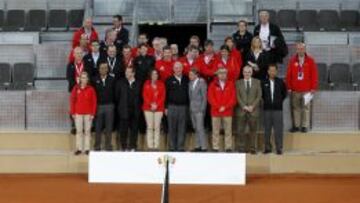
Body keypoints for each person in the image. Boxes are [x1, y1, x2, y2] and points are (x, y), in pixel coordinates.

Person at [286, 42, 318, 133]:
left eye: (302, 49)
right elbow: (289, 75)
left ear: (305, 49)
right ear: (296, 50)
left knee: (306, 108)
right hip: (295, 90)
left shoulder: (310, 61)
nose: (300, 50)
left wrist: (313, 88)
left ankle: (304, 126)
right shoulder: (292, 60)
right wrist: (289, 87)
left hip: (307, 90)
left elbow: (314, 75)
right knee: (296, 108)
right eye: (298, 49)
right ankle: (296, 126)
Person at [208, 68, 236, 152]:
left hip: (227, 111)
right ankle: (215, 147)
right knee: (215, 130)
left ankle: (228, 147)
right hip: (216, 111)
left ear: (226, 74)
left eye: (224, 73)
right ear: (217, 74)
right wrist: (218, 107)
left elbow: (233, 98)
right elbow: (210, 98)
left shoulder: (230, 84)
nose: (222, 75)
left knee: (228, 130)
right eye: (220, 73)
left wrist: (225, 107)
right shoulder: (212, 84)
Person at [236, 66, 262, 154]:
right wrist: (244, 106)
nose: (247, 74)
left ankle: (253, 148)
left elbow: (259, 96)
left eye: (249, 72)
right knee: (240, 131)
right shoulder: (238, 83)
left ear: (252, 73)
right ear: (242, 72)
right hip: (241, 110)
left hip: (253, 111)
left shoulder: (257, 82)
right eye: (245, 72)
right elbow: (237, 96)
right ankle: (241, 148)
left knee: (253, 131)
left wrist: (252, 106)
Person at [262, 64, 287, 155]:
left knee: (278, 130)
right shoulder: (263, 82)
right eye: (270, 70)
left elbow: (284, 94)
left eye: (274, 70)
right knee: (267, 130)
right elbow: (262, 95)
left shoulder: (280, 82)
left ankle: (279, 148)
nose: (272, 72)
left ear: (276, 71)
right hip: (267, 110)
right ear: (268, 71)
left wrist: (278, 101)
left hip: (278, 110)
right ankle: (267, 148)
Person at [70, 72, 97, 155]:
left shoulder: (91, 89)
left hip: (88, 114)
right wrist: (73, 112)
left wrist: (93, 114)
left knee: (87, 132)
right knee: (79, 131)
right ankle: (79, 148)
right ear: (80, 79)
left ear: (87, 79)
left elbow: (94, 102)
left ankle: (87, 149)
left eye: (85, 78)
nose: (83, 79)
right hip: (78, 113)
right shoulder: (76, 88)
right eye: (82, 77)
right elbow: (72, 101)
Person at [115, 67, 142, 151]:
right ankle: (124, 147)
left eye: (128, 72)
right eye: (126, 72)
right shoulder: (120, 83)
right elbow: (117, 96)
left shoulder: (139, 83)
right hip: (124, 110)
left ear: (133, 73)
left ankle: (133, 146)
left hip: (135, 111)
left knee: (134, 130)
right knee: (123, 130)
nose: (126, 73)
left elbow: (141, 97)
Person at [165, 62, 189, 151]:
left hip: (183, 107)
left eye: (179, 67)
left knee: (182, 128)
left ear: (182, 69)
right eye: (176, 68)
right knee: (172, 128)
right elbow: (166, 95)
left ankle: (180, 147)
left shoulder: (187, 79)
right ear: (173, 69)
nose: (178, 69)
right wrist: (166, 107)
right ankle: (172, 147)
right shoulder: (169, 80)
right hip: (171, 107)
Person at [93, 63, 116, 151]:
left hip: (109, 106)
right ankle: (97, 146)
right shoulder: (95, 79)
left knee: (109, 127)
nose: (103, 69)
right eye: (101, 68)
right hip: (99, 106)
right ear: (99, 69)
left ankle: (108, 146)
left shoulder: (112, 79)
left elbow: (115, 92)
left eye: (105, 68)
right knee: (98, 127)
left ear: (107, 69)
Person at [142, 69, 166, 151]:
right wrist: (151, 104)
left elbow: (163, 96)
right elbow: (144, 95)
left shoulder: (161, 84)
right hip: (148, 108)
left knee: (157, 127)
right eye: (153, 74)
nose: (154, 75)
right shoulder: (146, 83)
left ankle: (156, 146)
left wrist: (156, 105)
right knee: (149, 127)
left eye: (156, 74)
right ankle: (150, 146)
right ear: (150, 75)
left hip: (159, 108)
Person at [188, 68, 208, 152]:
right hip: (192, 109)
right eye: (189, 75)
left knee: (200, 128)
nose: (190, 76)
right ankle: (197, 145)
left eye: (191, 75)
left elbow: (204, 97)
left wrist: (202, 109)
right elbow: (190, 97)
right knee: (196, 128)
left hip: (199, 109)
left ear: (196, 75)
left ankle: (203, 146)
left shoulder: (202, 82)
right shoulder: (190, 83)